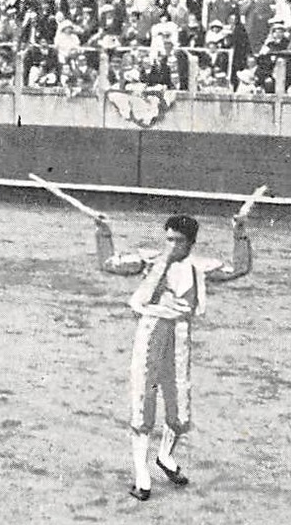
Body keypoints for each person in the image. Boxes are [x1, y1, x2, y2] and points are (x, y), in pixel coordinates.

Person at [95, 210, 253, 501]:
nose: (170, 246)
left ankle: (165, 456)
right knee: (144, 396)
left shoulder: (198, 265)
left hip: (180, 332)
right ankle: (142, 478)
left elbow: (239, 268)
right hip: (151, 329)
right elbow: (109, 263)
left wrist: (240, 232)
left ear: (190, 243)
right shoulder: (149, 259)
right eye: (167, 239)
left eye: (177, 241)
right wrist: (104, 231)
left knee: (179, 402)